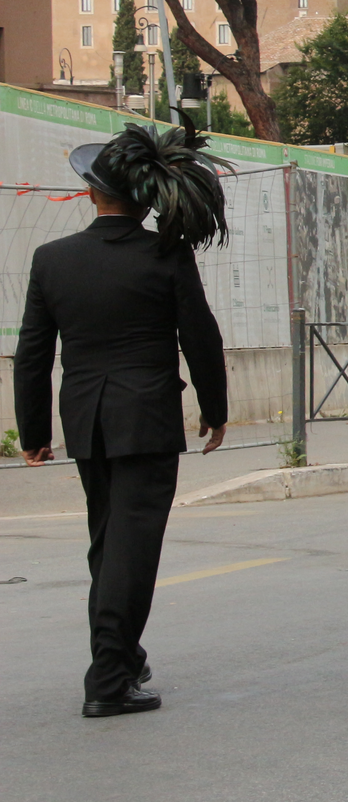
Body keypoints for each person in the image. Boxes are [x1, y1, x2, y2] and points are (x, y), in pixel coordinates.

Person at [16, 119, 228, 718]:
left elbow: (33, 353)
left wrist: (32, 433)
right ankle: (108, 678)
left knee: (108, 544)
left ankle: (123, 657)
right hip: (147, 419)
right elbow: (200, 339)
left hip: (87, 421)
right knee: (132, 550)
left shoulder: (52, 259)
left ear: (91, 193)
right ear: (146, 201)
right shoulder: (167, 254)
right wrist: (215, 411)